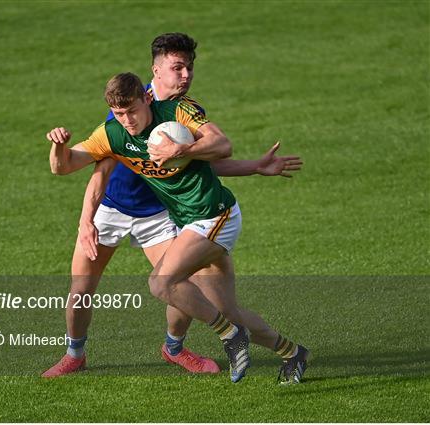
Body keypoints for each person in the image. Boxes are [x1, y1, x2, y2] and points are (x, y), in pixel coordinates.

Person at [41, 33, 302, 380]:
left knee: (178, 288)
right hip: (117, 208)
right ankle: (75, 354)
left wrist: (251, 165)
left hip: (170, 214)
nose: (186, 76)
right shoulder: (127, 108)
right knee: (84, 289)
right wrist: (85, 220)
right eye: (177, 68)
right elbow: (99, 170)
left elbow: (206, 159)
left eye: (189, 68)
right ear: (156, 70)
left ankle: (177, 347)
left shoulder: (185, 112)